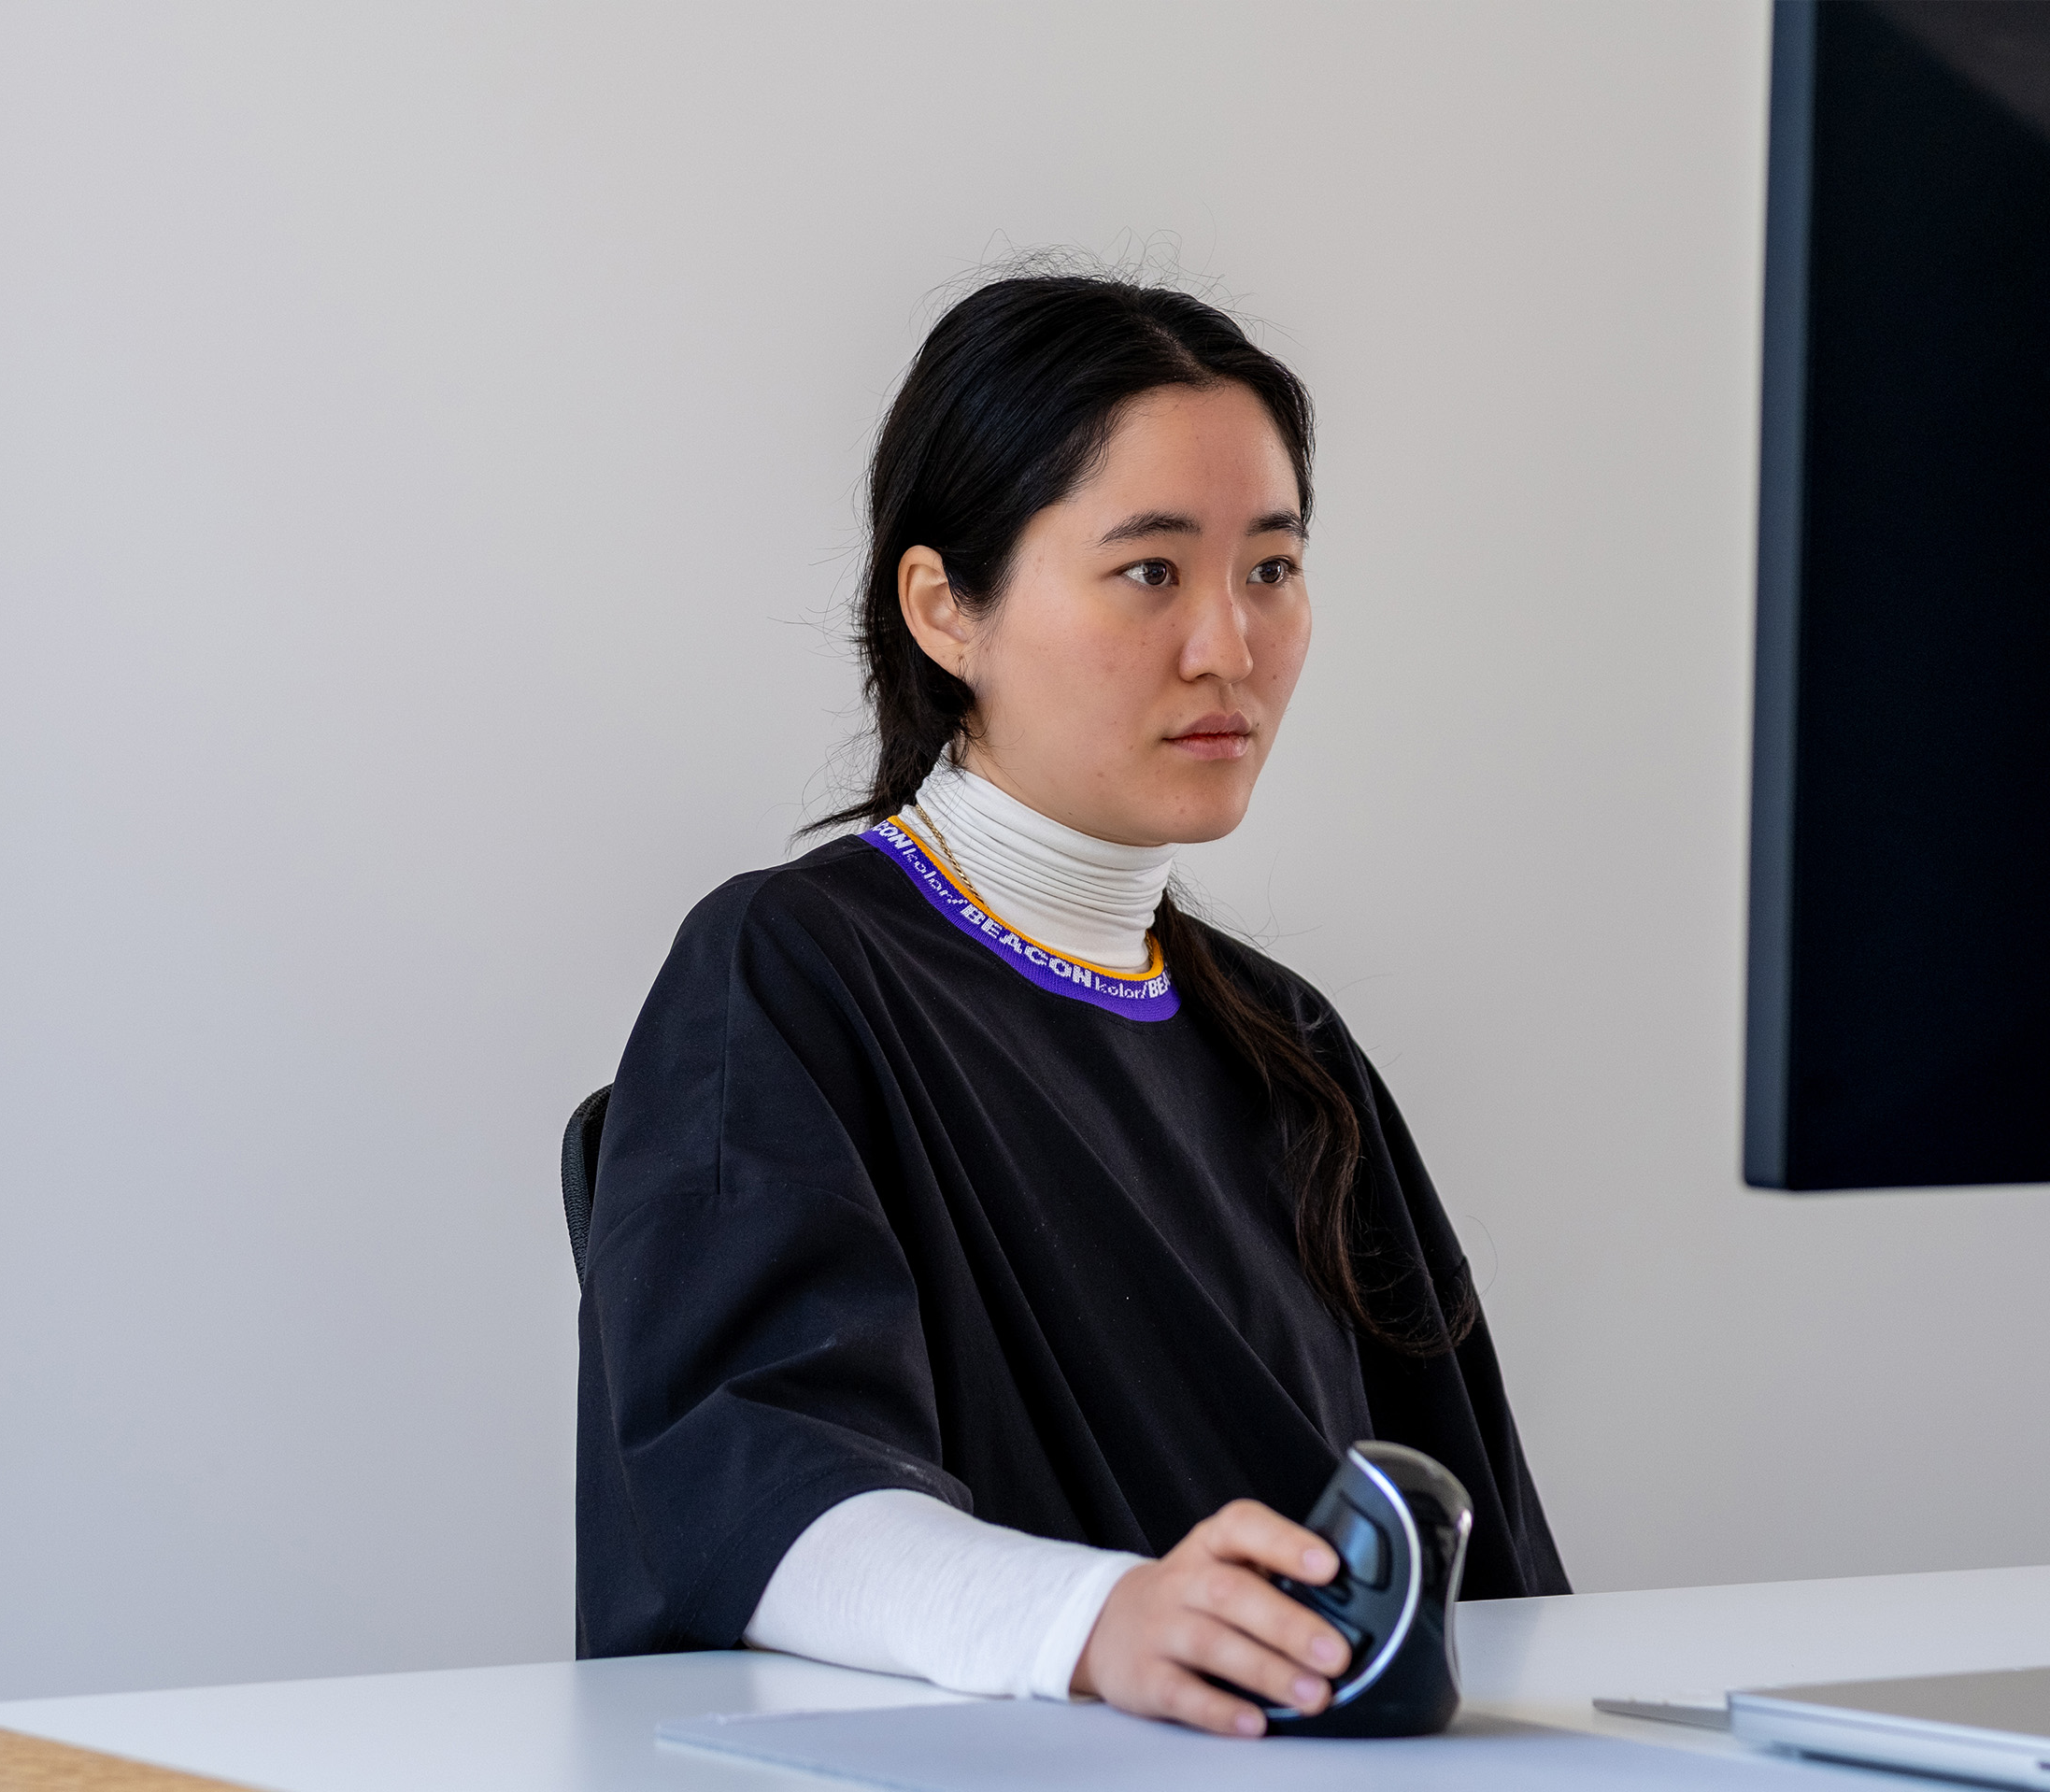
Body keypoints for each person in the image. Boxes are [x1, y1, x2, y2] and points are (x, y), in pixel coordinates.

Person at [576, 275, 1568, 1739]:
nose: (1228, 645)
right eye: (1151, 570)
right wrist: (1093, 1621)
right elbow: (756, 1490)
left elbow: (1485, 1592)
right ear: (945, 609)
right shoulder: (787, 972)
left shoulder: (1293, 1051)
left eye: (1273, 569)